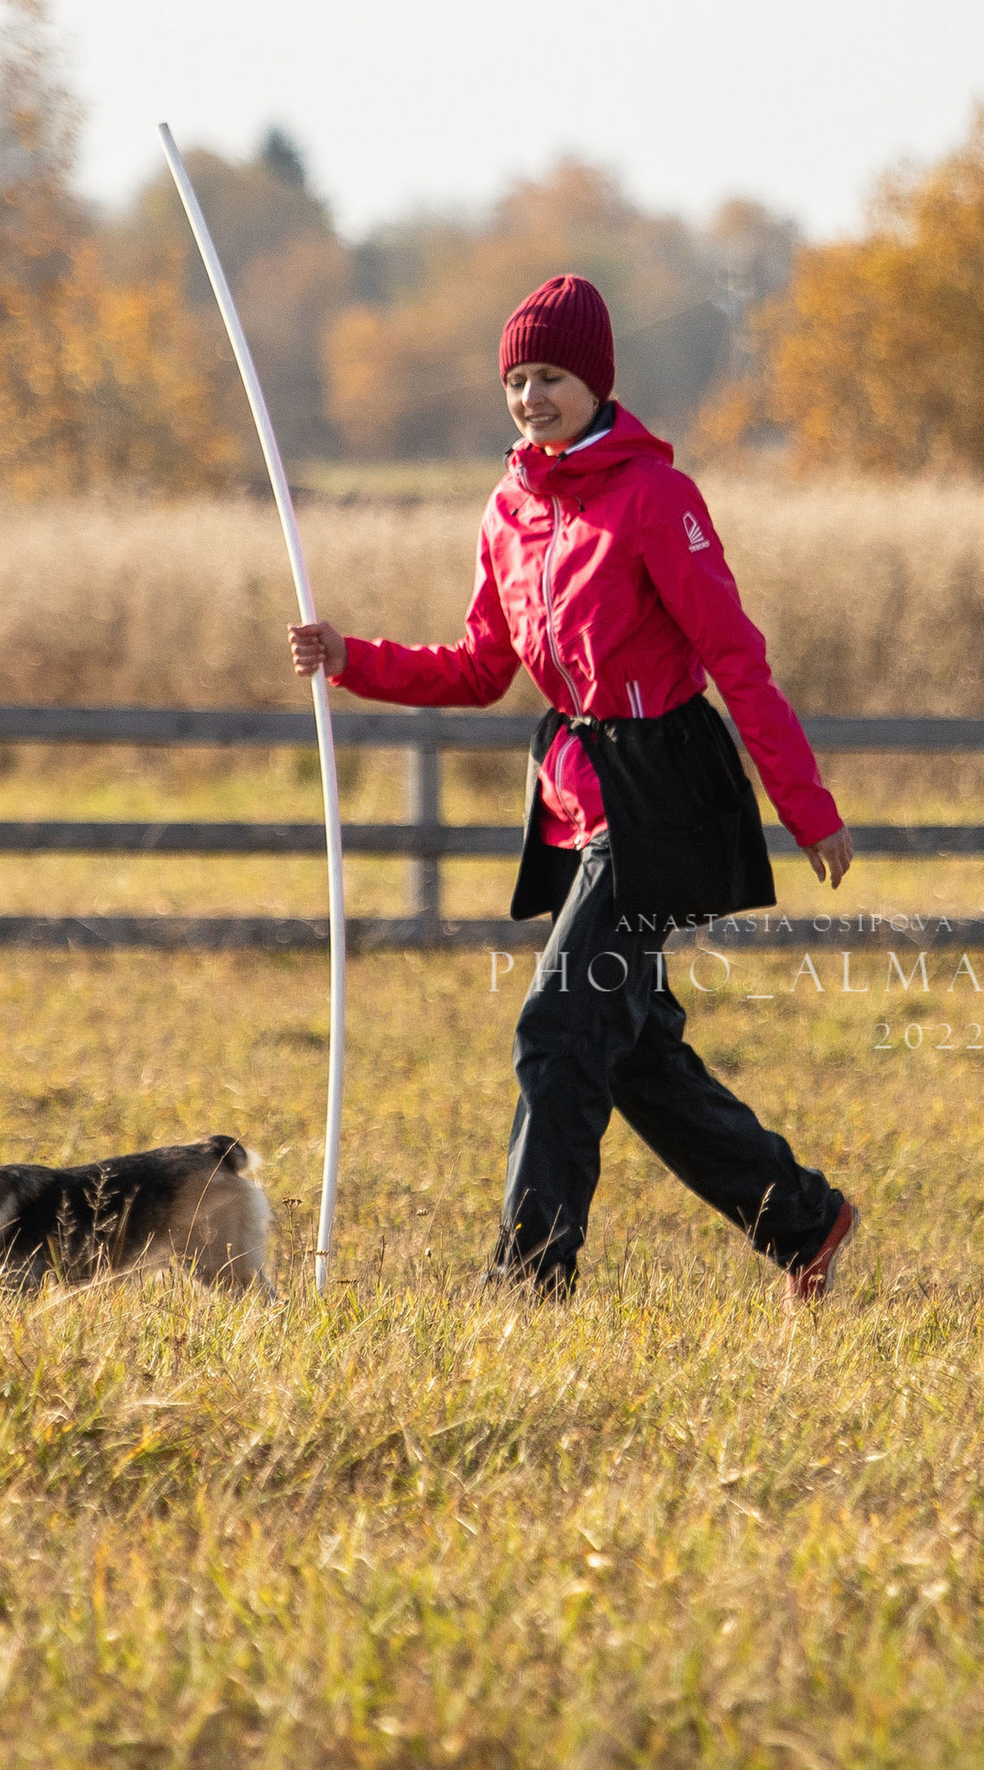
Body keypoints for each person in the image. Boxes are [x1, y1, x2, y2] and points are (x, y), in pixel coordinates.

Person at [289, 273, 860, 1304]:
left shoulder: (656, 498)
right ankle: (803, 1218)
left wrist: (804, 805)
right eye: (515, 378)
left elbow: (737, 660)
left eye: (549, 375)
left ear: (596, 381)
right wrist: (347, 657)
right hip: (578, 795)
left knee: (557, 1027)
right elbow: (476, 667)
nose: (530, 397)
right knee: (630, 1048)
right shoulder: (508, 511)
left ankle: (527, 1280)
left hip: (666, 795)